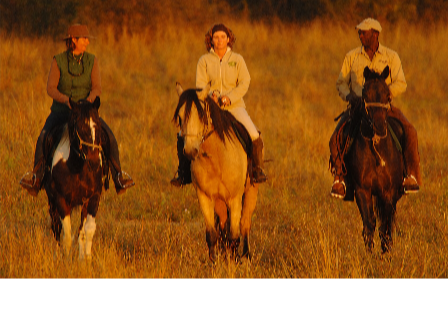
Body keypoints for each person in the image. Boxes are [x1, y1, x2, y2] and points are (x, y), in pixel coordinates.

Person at [20, 24, 135, 196]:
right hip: (62, 111)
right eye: (84, 39)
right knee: (43, 137)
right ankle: (36, 178)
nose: (87, 42)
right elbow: (50, 88)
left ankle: (118, 177)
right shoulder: (57, 60)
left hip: (86, 113)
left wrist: (87, 102)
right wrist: (66, 100)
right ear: (73, 40)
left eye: (88, 39)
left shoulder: (92, 60)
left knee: (109, 136)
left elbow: (97, 88)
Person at [329, 18, 421, 199]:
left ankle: (411, 175)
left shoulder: (391, 56)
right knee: (336, 137)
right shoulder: (351, 56)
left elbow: (401, 82)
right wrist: (350, 97)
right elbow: (341, 83)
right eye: (359, 33)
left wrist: (387, 95)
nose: (360, 36)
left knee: (410, 131)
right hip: (358, 107)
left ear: (375, 34)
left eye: (364, 33)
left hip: (384, 108)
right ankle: (340, 179)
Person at [171, 23, 268, 187]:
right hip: (210, 107)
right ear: (211, 40)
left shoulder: (237, 60)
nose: (220, 40)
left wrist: (228, 98)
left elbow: (245, 82)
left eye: (223, 37)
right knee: (182, 134)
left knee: (254, 135)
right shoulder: (204, 61)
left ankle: (257, 170)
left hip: (234, 106)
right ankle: (184, 173)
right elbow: (201, 84)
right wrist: (211, 97)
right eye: (216, 37)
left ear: (229, 39)